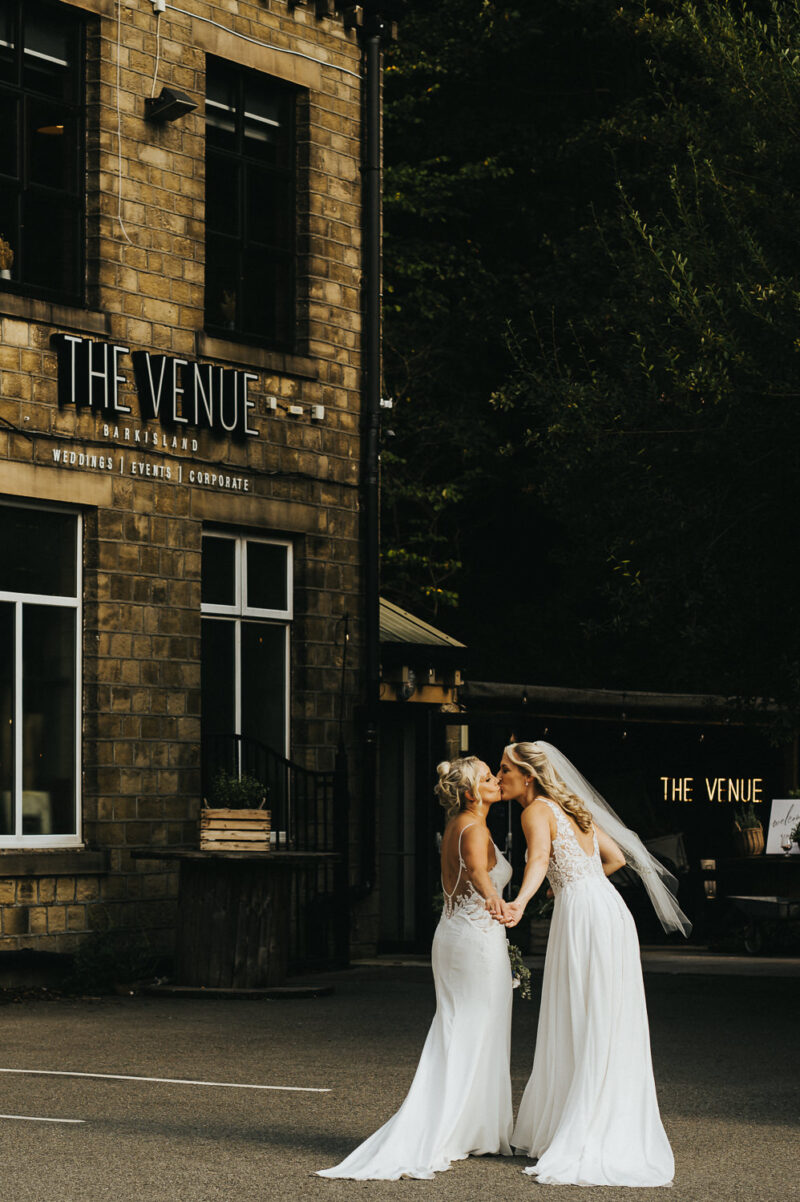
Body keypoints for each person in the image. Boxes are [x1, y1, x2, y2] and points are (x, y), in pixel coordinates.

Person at [499, 740, 690, 1188]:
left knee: (579, 1013)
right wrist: (570, 882)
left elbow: (542, 858)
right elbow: (617, 858)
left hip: (582, 915)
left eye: (504, 768)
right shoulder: (569, 806)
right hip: (608, 910)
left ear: (528, 775)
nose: (499, 774)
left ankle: (582, 1124)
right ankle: (606, 1118)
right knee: (606, 1014)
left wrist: (524, 900)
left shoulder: (534, 812)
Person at [317, 756, 514, 1180]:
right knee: (470, 1028)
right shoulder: (474, 827)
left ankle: (467, 1126)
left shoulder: (459, 823)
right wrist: (495, 901)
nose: (496, 780)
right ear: (469, 793)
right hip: (475, 938)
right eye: (486, 778)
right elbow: (479, 870)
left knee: (464, 1026)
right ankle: (446, 1128)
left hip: (457, 933)